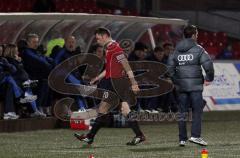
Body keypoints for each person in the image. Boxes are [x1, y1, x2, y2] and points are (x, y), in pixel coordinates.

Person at [74, 27, 145, 145]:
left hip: (116, 83)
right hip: (116, 82)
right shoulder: (109, 48)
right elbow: (109, 69)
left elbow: (126, 66)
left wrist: (134, 83)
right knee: (125, 110)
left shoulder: (114, 48)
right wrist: (98, 78)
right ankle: (139, 135)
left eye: (98, 38)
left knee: (103, 109)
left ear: (105, 36)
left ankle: (90, 137)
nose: (97, 41)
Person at [168, 25, 214, 147]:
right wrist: (209, 78)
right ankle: (195, 136)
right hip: (195, 86)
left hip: (181, 86)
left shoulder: (175, 50)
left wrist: (176, 81)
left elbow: (169, 69)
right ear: (193, 35)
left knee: (182, 112)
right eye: (197, 34)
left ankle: (182, 139)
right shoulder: (199, 49)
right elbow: (208, 65)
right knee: (197, 111)